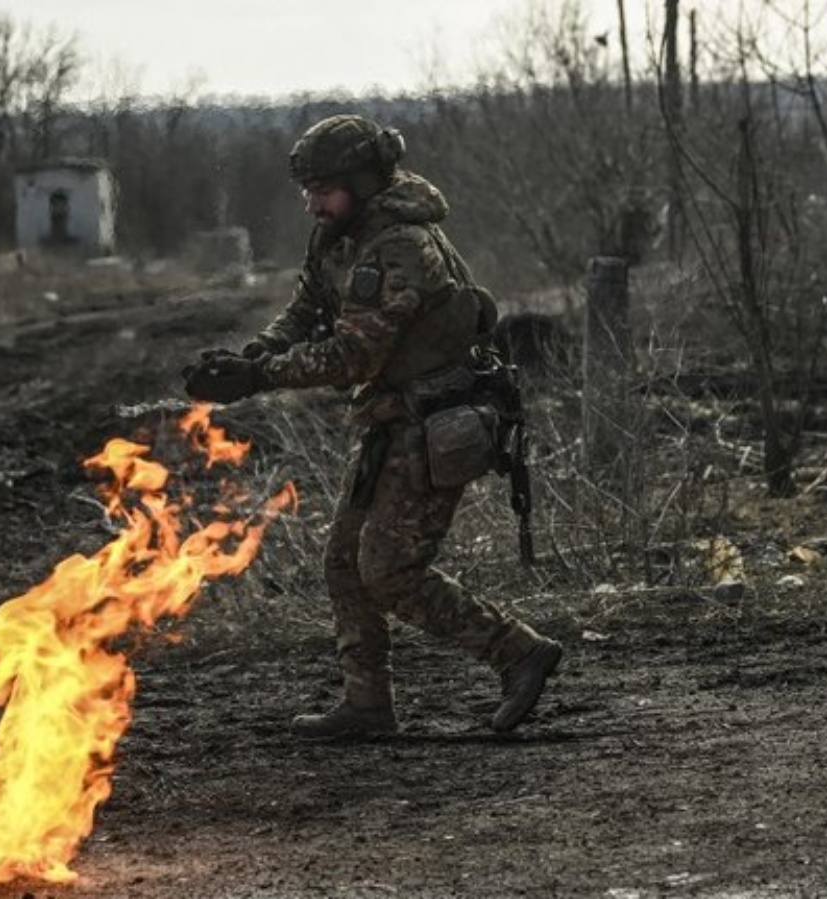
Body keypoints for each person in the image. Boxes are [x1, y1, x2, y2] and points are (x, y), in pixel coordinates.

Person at [181, 114, 563, 737]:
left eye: (323, 189)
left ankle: (519, 653)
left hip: (435, 421)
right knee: (342, 563)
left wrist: (260, 379)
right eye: (307, 190)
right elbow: (305, 309)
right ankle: (366, 706)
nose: (311, 203)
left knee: (388, 570)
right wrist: (250, 357)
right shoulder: (339, 234)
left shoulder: (403, 248)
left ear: (361, 181)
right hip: (391, 418)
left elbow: (353, 356)